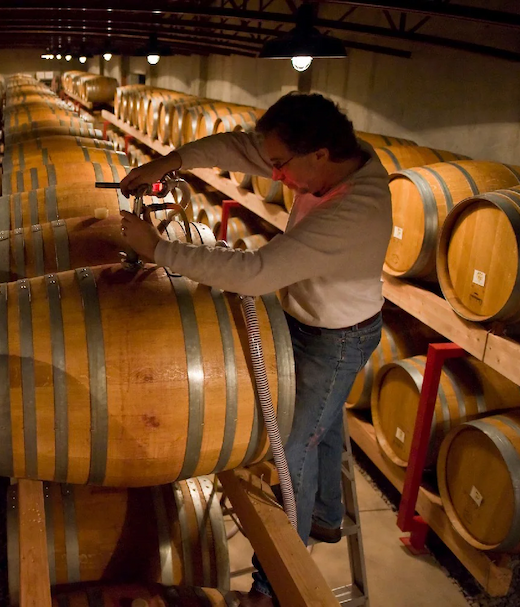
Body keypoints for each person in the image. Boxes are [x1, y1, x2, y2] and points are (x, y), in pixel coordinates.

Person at [119, 92, 392, 607]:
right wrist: (170, 160)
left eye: (282, 166)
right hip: (312, 318)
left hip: (336, 337)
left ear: (320, 155)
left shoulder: (357, 208)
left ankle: (272, 588)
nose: (274, 174)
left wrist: (156, 249)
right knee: (323, 426)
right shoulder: (326, 163)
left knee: (290, 453)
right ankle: (327, 516)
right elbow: (239, 149)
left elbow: (258, 274)